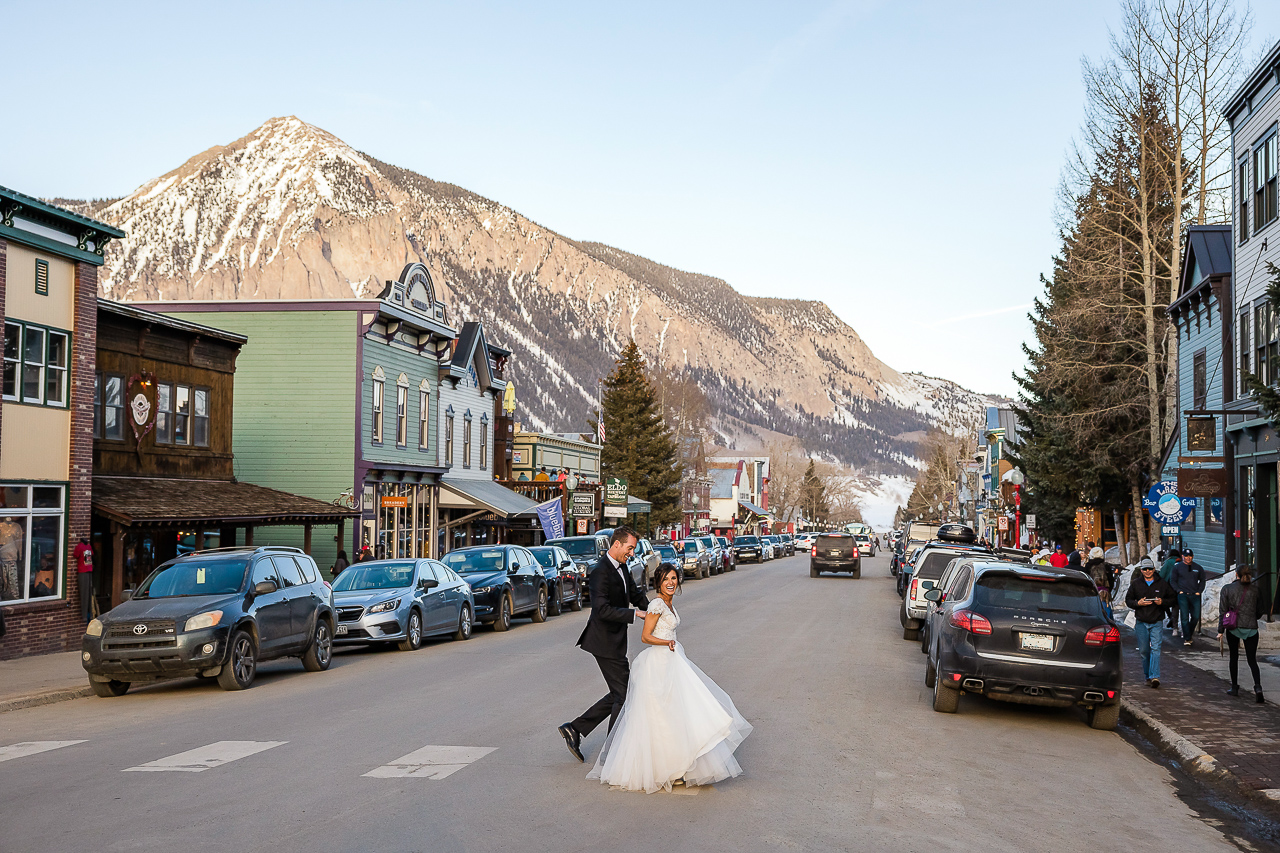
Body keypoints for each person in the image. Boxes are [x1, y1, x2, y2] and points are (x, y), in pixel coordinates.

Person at [586, 564, 752, 792]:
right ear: (658, 583)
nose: (671, 583)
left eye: (674, 578)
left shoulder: (669, 604)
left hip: (673, 660)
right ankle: (665, 769)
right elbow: (646, 636)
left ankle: (679, 767)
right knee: (661, 715)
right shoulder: (656, 604)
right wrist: (666, 643)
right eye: (666, 579)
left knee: (679, 713)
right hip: (659, 662)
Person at [559, 526, 651, 763]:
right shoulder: (600, 571)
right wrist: (635, 615)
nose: (631, 553)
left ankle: (575, 729)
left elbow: (634, 593)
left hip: (614, 641)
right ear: (617, 544)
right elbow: (601, 610)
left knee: (619, 692)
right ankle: (612, 752)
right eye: (629, 548)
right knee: (624, 694)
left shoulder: (622, 567)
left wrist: (654, 609)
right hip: (604, 642)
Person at [1219, 566, 1267, 703]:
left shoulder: (1227, 589)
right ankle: (1258, 687)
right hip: (1251, 628)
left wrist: (1220, 630)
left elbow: (1223, 611)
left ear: (1236, 574)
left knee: (1233, 657)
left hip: (1234, 627)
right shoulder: (1256, 590)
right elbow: (1260, 610)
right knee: (1252, 660)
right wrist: (1253, 617)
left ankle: (1234, 687)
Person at [1126, 558, 1176, 687]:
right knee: (1144, 651)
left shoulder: (1162, 584)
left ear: (1154, 570)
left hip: (1156, 621)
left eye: (1150, 569)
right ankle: (1148, 675)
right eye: (1144, 569)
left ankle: (1155, 677)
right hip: (1141, 621)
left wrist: (1162, 602)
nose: (1147, 571)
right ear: (1141, 570)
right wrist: (1138, 603)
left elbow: (1172, 598)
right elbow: (1128, 600)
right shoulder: (1136, 584)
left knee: (1156, 649)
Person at [1170, 549, 1206, 646]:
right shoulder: (1177, 567)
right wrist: (1178, 591)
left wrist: (1199, 591)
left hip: (1195, 595)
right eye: (1186, 556)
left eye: (1190, 556)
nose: (1188, 558)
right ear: (1183, 556)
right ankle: (1187, 638)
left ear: (1192, 557)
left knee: (1195, 616)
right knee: (1184, 616)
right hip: (1183, 595)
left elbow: (1202, 580)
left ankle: (1188, 632)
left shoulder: (1198, 568)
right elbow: (1172, 580)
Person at [73, 536, 95, 623]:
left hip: (82, 570)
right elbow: (91, 554)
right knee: (89, 592)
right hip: (89, 570)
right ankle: (90, 613)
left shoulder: (79, 546)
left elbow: (75, 555)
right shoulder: (89, 546)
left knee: (84, 593)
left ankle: (85, 615)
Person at [1160, 548, 1182, 633]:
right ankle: (1174, 621)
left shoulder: (1168, 562)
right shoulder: (1181, 562)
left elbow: (1162, 574)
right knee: (1175, 605)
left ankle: (1170, 617)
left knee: (1164, 602)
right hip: (1179, 587)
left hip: (1169, 587)